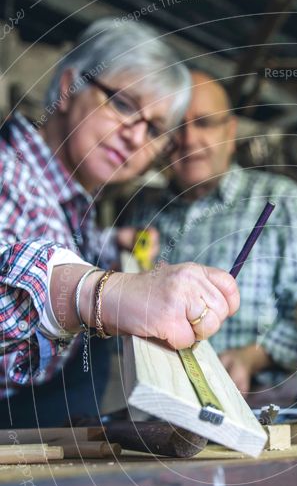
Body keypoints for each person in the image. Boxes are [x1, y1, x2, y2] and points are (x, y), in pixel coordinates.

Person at [0, 21, 239, 427]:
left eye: (154, 129)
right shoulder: (9, 172)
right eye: (124, 105)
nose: (134, 138)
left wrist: (114, 244)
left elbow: (46, 230)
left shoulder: (71, 199)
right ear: (68, 88)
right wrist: (105, 293)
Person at [128, 70, 297, 402]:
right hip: (165, 414)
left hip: (272, 415)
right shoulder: (142, 212)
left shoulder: (283, 202)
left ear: (230, 133)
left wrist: (252, 357)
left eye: (203, 123)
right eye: (176, 126)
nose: (188, 140)